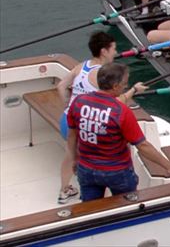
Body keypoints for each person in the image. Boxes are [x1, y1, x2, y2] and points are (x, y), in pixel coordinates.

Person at [66, 63, 170, 202]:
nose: (125, 87)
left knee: (89, 209)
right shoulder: (121, 112)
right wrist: (169, 166)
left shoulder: (79, 102)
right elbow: (143, 146)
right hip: (117, 172)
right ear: (115, 86)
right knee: (127, 206)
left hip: (86, 168)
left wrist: (74, 159)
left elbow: (72, 135)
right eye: (124, 84)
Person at [56, 31, 146, 204]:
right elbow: (114, 103)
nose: (115, 52)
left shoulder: (82, 65)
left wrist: (70, 108)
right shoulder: (102, 75)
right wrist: (134, 90)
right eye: (113, 49)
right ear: (104, 51)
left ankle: (64, 190)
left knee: (70, 153)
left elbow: (61, 86)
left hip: (68, 119)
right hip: (88, 122)